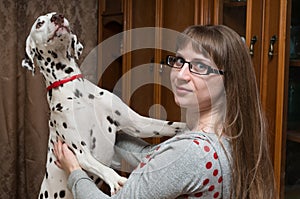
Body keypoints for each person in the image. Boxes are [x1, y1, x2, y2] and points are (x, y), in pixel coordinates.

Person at [53, 25, 276, 198]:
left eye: (199, 66)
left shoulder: (192, 153)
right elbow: (152, 159)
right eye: (180, 61)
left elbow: (170, 163)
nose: (180, 75)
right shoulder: (226, 139)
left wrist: (74, 171)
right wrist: (105, 128)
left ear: (230, 80)